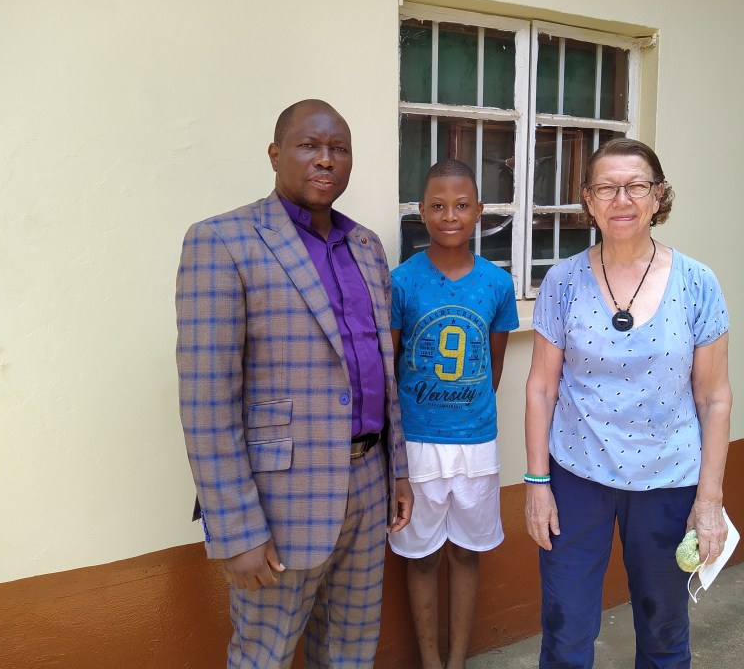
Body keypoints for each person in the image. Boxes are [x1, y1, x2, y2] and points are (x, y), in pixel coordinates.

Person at [175, 99, 414, 668]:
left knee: (352, 649)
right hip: (280, 501)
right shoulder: (223, 242)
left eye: (339, 149)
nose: (326, 159)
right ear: (275, 154)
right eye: (310, 146)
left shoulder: (366, 247)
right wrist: (236, 530)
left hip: (368, 483)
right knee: (265, 654)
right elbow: (207, 403)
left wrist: (398, 471)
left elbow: (382, 371)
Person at [524, 137, 732, 669]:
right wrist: (537, 484)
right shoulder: (563, 281)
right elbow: (541, 387)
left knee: (664, 633)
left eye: (636, 186)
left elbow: (714, 397)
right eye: (607, 188)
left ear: (658, 196)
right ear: (588, 200)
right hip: (576, 479)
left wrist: (709, 500)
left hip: (668, 483)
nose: (622, 200)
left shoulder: (697, 283)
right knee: (565, 631)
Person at [388, 159, 519, 669]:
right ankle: (430, 660)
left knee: (466, 552)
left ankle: (457, 660)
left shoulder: (497, 284)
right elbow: (392, 365)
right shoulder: (401, 282)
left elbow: (494, 366)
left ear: (479, 211)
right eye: (438, 206)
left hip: (475, 444)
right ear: (421, 212)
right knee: (421, 556)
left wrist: (464, 409)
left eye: (461, 205)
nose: (449, 216)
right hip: (417, 445)